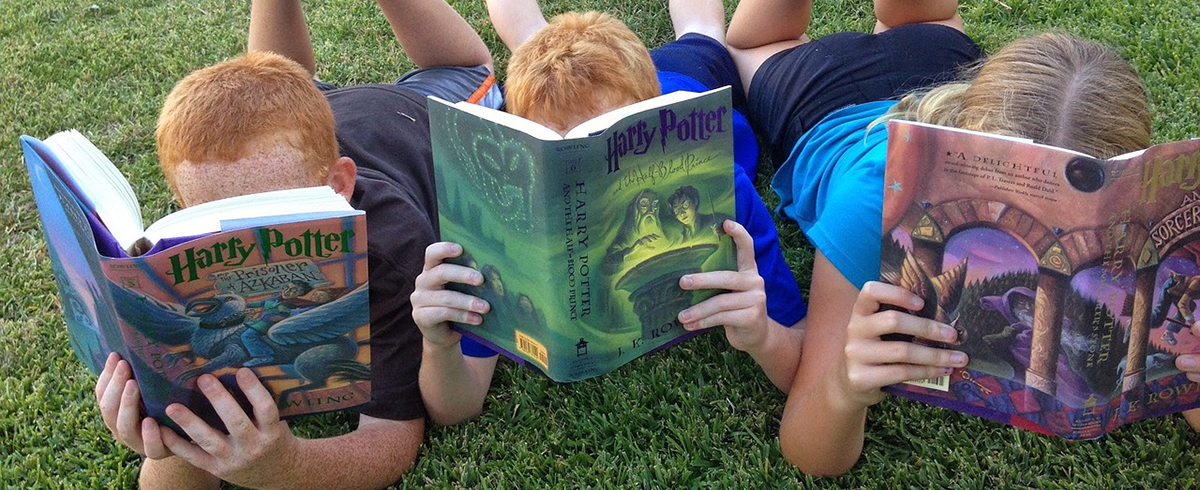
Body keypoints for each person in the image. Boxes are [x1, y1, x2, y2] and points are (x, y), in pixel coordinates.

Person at [724, 0, 1156, 476]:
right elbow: (809, 451)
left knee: (915, 19)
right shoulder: (874, 200)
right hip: (821, 96)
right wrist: (843, 388)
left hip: (939, 55)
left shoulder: (1146, 222)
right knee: (754, 43)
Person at [90, 0, 501, 488]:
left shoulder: (390, 242)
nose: (257, 246)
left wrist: (288, 469)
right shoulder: (188, 243)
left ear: (339, 186)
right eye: (224, 222)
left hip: (421, 113)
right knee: (288, 85)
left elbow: (392, 438)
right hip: (311, 113)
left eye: (279, 219)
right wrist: (171, 439)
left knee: (469, 70)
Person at [412, 0, 808, 426]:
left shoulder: (726, 192)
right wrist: (439, 346)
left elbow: (802, 356)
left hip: (684, 80)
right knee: (533, 47)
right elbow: (455, 409)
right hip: (578, 97)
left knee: (702, 33)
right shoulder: (506, 214)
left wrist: (765, 336)